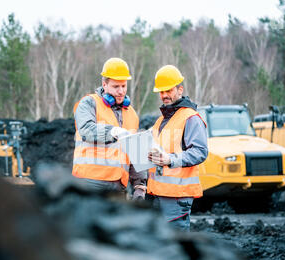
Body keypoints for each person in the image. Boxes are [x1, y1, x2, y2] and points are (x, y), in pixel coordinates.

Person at [72, 57, 147, 200]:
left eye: (124, 86)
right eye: (116, 86)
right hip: (90, 184)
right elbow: (86, 130)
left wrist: (139, 186)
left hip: (118, 187)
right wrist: (113, 131)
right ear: (104, 85)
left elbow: (136, 152)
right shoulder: (89, 103)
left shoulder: (131, 113)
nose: (121, 91)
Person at [147, 65, 208, 231]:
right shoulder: (161, 121)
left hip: (177, 198)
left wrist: (170, 160)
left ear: (180, 89)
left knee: (176, 248)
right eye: (161, 92)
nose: (164, 95)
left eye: (169, 90)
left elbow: (200, 152)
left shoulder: (190, 118)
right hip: (158, 195)